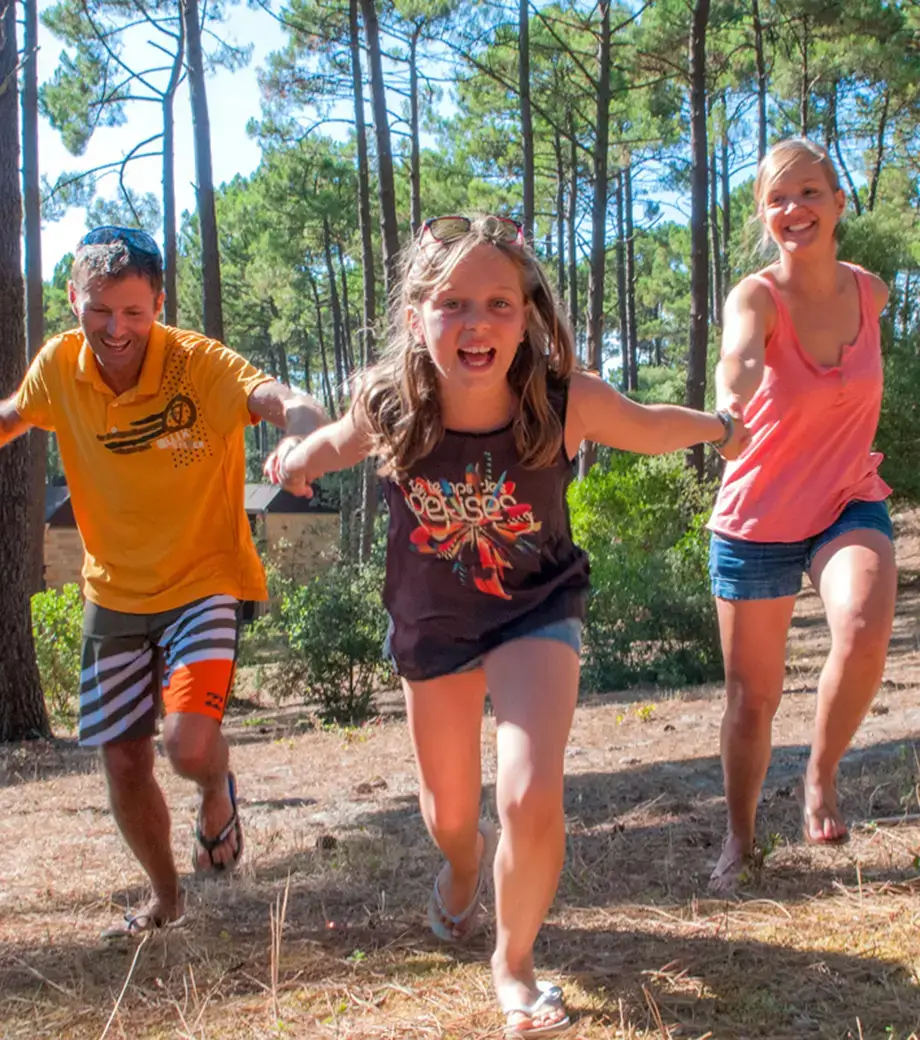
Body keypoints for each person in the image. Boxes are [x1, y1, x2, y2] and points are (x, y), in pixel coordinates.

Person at [265, 214, 748, 1036]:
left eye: (496, 302)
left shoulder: (564, 401)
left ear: (527, 317)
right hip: (433, 628)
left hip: (536, 609)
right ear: (417, 316)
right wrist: (297, 459)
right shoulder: (391, 405)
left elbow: (649, 423)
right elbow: (336, 444)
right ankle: (460, 872)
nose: (476, 322)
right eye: (452, 303)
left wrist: (722, 428)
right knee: (451, 816)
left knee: (530, 792)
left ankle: (514, 961)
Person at [0, 226, 327, 935]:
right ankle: (167, 898)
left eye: (134, 312)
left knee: (184, 744)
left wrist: (303, 436)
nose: (116, 329)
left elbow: (283, 399)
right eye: (99, 310)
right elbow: (16, 415)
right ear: (73, 299)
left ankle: (216, 789)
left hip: (203, 580)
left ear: (159, 303)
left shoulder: (197, 365)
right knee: (122, 760)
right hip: (111, 591)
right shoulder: (60, 364)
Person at [707, 139, 897, 892]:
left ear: (838, 202)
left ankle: (820, 775)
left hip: (847, 499)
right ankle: (741, 838)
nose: (795, 209)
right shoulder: (757, 295)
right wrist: (731, 400)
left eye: (809, 192)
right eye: (779, 199)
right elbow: (740, 357)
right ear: (764, 215)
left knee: (862, 624)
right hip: (756, 518)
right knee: (752, 701)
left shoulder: (870, 292)